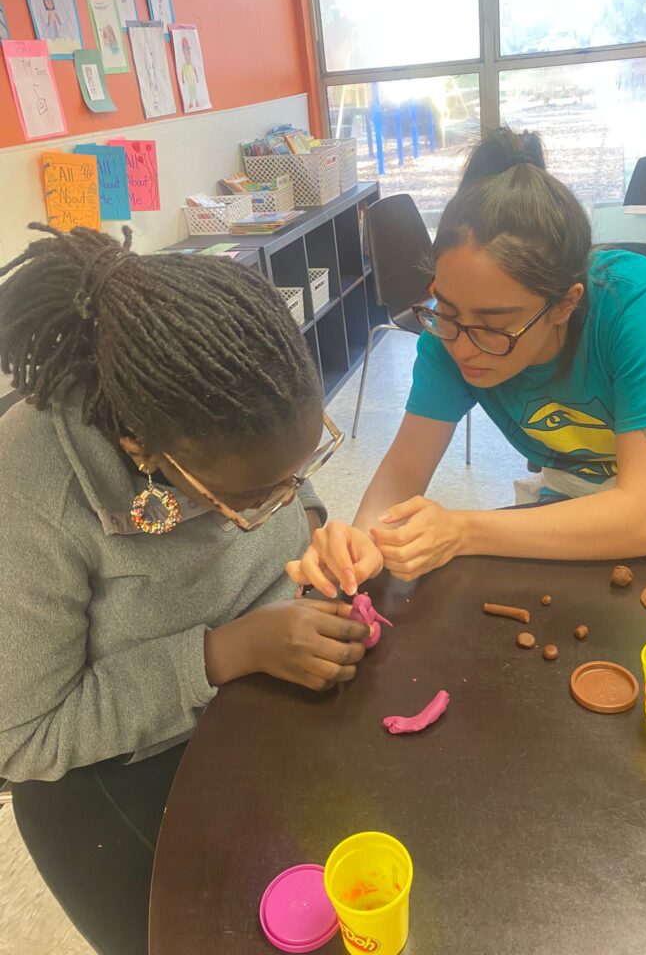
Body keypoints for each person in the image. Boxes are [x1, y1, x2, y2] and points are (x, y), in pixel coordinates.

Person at [0, 224, 370, 955]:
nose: (284, 499)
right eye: (257, 496)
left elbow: (285, 487)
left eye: (298, 470)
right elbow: (24, 739)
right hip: (121, 768)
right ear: (145, 451)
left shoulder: (236, 408)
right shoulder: (32, 493)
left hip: (258, 696)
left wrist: (323, 529)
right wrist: (221, 655)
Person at [288, 128, 646, 596]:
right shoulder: (448, 333)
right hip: (581, 486)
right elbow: (400, 477)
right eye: (446, 311)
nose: (464, 347)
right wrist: (362, 543)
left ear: (564, 305)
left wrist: (463, 530)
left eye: (495, 327)